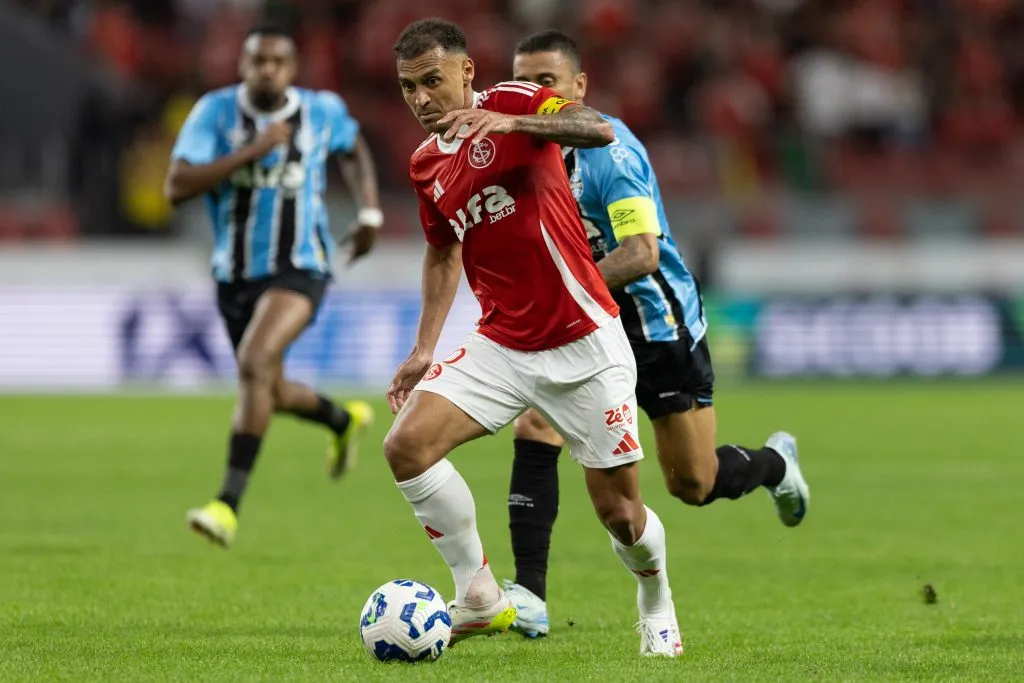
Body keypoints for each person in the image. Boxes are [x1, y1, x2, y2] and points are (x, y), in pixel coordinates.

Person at [385, 18, 683, 656]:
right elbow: (443, 253)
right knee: (406, 447)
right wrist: (424, 347)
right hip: (502, 344)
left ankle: (655, 599)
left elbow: (597, 128)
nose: (420, 99)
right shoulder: (425, 164)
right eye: (408, 87)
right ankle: (479, 594)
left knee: (622, 516)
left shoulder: (515, 103)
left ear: (467, 72)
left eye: (432, 81)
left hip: (584, 341)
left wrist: (513, 124)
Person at [500, 30, 811, 638]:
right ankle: (530, 597)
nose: (533, 95)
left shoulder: (610, 154)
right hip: (587, 321)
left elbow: (641, 254)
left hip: (657, 322)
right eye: (522, 82)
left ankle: (776, 465)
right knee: (536, 423)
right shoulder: (519, 153)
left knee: (691, 484)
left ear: (577, 89)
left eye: (547, 83)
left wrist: (565, 289)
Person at [164, 23, 381, 548]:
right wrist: (253, 151)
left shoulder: (320, 110)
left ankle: (227, 505)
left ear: (292, 68)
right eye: (257, 61)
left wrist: (369, 211)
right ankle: (341, 419)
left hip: (301, 265)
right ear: (242, 66)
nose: (267, 70)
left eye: (277, 62)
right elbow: (176, 186)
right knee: (270, 387)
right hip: (234, 274)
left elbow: (353, 149)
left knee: (254, 365)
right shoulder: (214, 113)